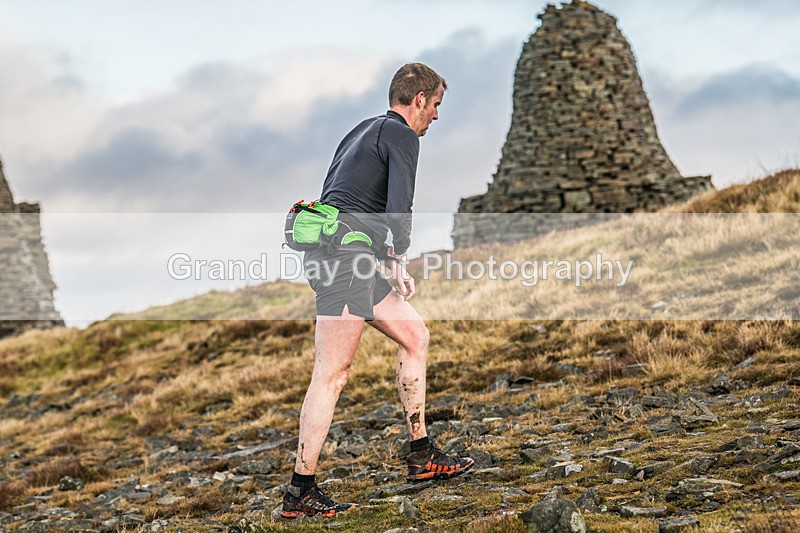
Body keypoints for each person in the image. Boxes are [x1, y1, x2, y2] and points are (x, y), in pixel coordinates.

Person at [280, 62, 474, 519]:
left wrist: (384, 263)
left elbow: (346, 201)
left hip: (347, 258)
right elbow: (397, 211)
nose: (437, 117)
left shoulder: (360, 131)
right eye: (437, 105)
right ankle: (299, 492)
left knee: (415, 335)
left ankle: (421, 453)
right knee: (332, 373)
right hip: (344, 264)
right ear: (419, 99)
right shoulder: (402, 134)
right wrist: (399, 258)